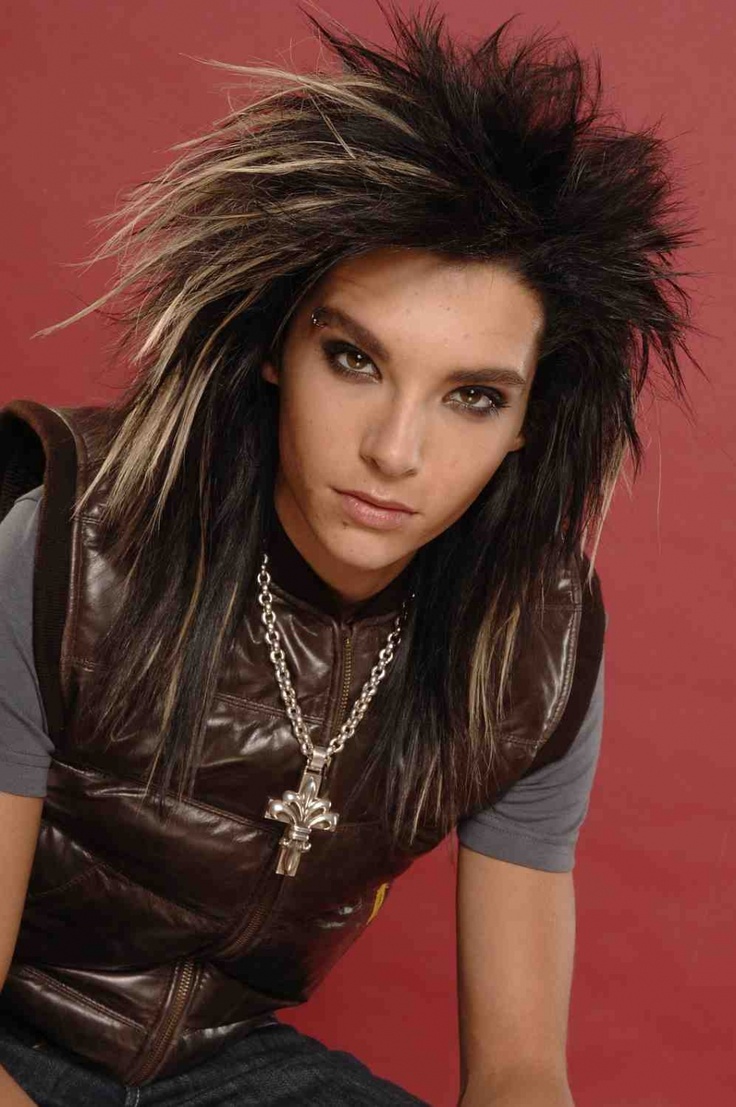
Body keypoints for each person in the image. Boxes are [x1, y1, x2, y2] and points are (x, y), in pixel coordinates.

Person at [0, 5, 699, 1106]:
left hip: (217, 1069)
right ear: (279, 347)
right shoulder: (66, 547)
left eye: (472, 396)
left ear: (526, 420)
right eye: (354, 359)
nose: (394, 451)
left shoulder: (533, 646)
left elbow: (520, 1070)